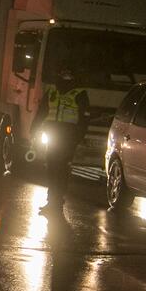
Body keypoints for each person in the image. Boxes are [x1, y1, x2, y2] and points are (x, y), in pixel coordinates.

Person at [32, 68, 89, 218]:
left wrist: (78, 137)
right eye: (63, 75)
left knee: (61, 169)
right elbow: (41, 112)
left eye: (68, 75)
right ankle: (52, 201)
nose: (65, 78)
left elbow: (84, 119)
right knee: (52, 168)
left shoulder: (80, 94)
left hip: (68, 139)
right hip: (53, 136)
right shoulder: (52, 93)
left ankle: (56, 202)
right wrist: (34, 129)